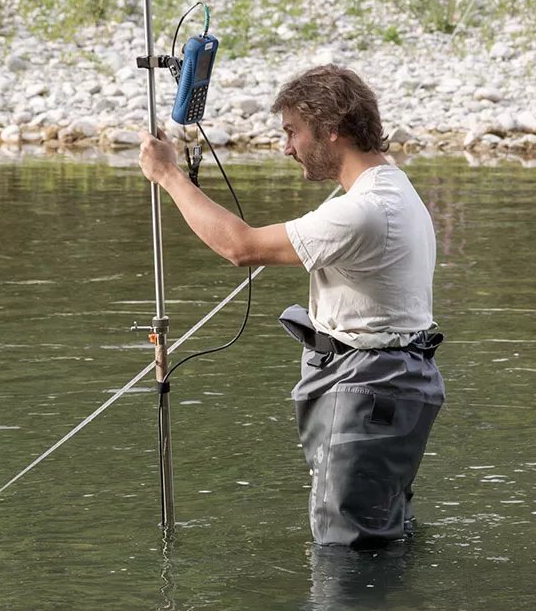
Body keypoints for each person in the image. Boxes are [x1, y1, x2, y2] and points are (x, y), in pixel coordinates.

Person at [137, 64, 444, 548]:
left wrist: (169, 176)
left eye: (291, 131)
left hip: (368, 388)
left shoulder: (362, 211)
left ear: (332, 128)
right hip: (392, 385)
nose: (286, 147)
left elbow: (240, 246)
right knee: (380, 536)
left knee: (346, 549)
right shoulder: (394, 188)